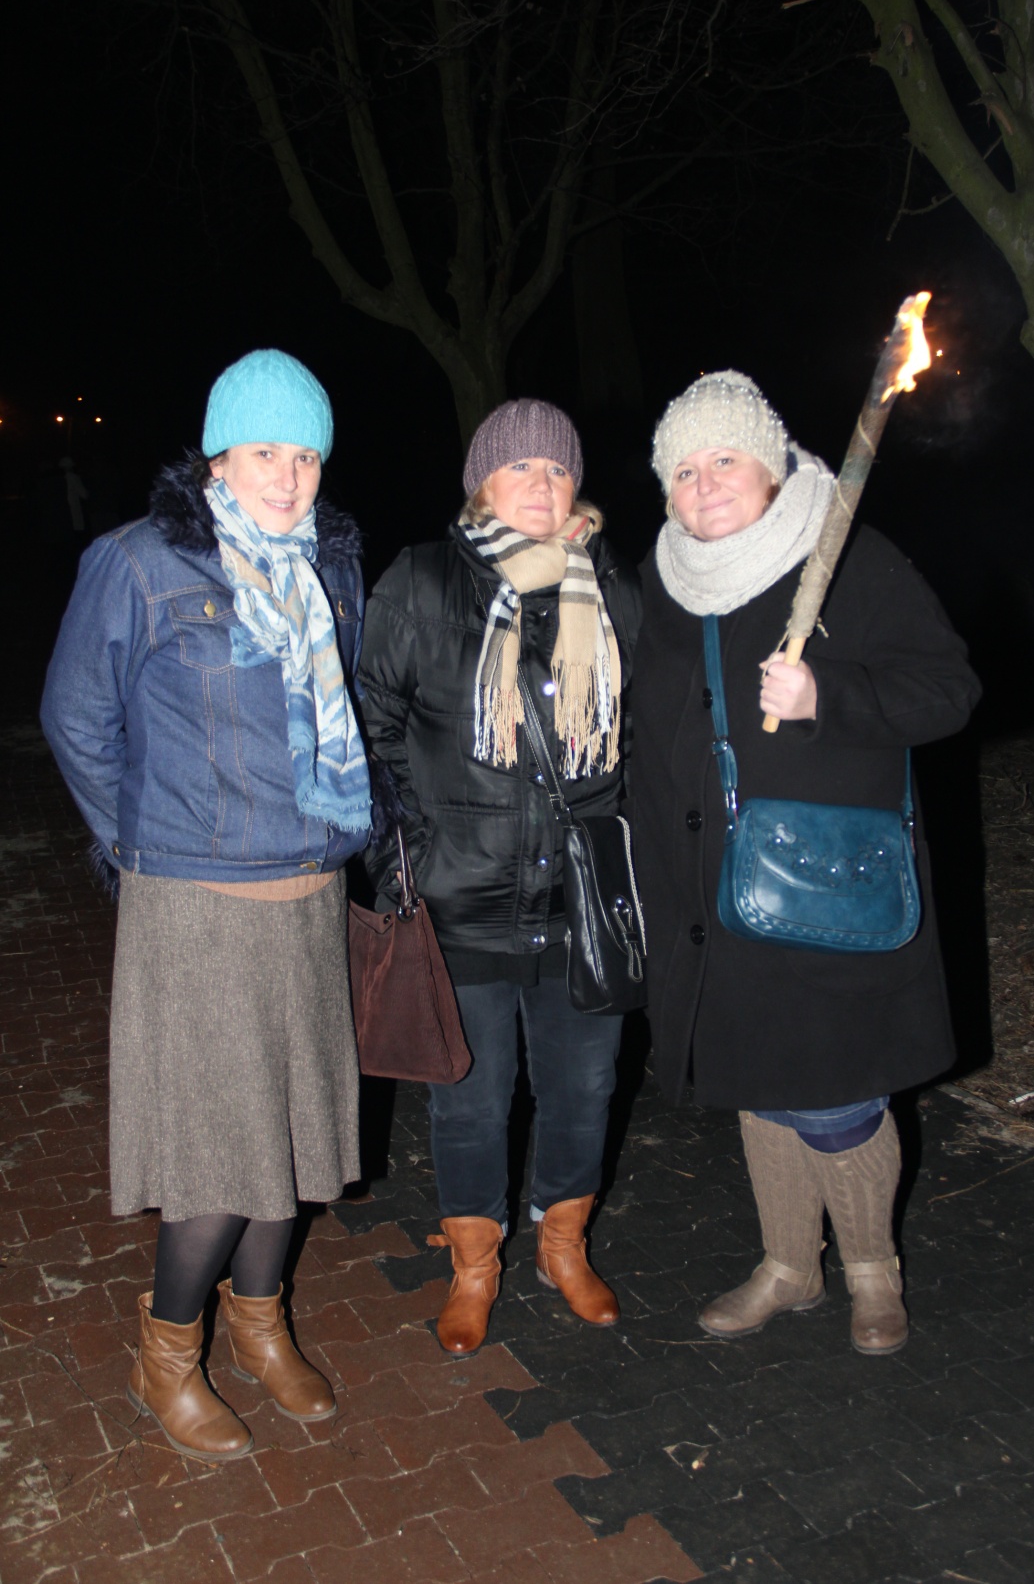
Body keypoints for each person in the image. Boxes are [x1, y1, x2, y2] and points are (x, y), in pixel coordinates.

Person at [41, 350, 372, 1459]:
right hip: (195, 906)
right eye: (264, 450)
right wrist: (144, 845)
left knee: (291, 1140)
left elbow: (345, 712)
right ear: (217, 457)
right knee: (217, 1155)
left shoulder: (331, 565)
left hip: (309, 894)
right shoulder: (138, 563)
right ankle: (166, 1353)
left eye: (306, 455)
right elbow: (75, 718)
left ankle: (260, 1326)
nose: (287, 475)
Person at [630, 370, 980, 1355]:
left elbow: (948, 690)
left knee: (837, 1093)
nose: (704, 483)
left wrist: (829, 693)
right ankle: (788, 1266)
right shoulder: (664, 583)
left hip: (825, 885)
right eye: (683, 470)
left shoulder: (845, 555)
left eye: (724, 460)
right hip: (712, 892)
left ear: (771, 469)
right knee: (760, 1079)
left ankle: (872, 1271)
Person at [358, 399, 642, 1356]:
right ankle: (474, 1266)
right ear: (482, 481)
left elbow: (642, 731)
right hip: (460, 902)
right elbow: (370, 728)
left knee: (584, 1090)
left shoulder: (610, 585)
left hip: (578, 905)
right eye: (519, 467)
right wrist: (404, 860)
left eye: (557, 469)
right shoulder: (422, 580)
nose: (541, 486)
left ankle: (563, 1245)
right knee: (471, 1101)